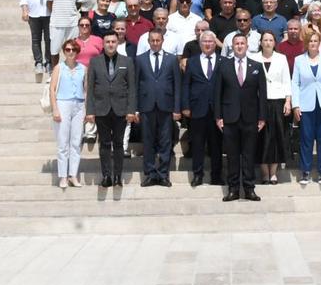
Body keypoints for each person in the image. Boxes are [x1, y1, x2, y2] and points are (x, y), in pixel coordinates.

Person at [214, 32, 266, 202]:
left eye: (242, 43)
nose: (239, 46)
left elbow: (262, 95)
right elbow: (217, 94)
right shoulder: (223, 66)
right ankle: (233, 189)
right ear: (232, 46)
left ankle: (249, 189)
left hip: (251, 118)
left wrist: (262, 117)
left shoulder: (257, 66)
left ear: (247, 45)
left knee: (249, 155)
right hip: (229, 118)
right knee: (232, 156)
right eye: (236, 43)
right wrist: (218, 116)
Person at [84, 32, 137, 189]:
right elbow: (91, 88)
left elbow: (132, 88)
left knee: (119, 144)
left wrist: (131, 110)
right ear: (103, 44)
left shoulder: (127, 61)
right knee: (105, 144)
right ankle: (106, 175)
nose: (111, 44)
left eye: (113, 41)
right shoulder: (94, 62)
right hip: (101, 109)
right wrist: (90, 111)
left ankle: (117, 176)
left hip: (121, 109)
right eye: (107, 42)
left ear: (117, 42)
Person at [134, 27, 182, 187]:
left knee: (165, 142)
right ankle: (149, 174)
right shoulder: (140, 59)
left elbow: (177, 85)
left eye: (158, 40)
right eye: (152, 40)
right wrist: (135, 108)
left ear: (162, 41)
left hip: (166, 107)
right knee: (147, 141)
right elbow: (135, 85)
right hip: (146, 106)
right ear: (148, 42)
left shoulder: (172, 59)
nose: (155, 43)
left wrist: (176, 109)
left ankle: (163, 175)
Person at [290, 31, 321, 185]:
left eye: (315, 41)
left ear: (319, 43)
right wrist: (296, 105)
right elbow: (295, 84)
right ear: (306, 43)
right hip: (306, 105)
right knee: (306, 139)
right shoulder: (299, 60)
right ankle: (305, 172)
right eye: (310, 41)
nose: (313, 43)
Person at [249, 30, 292, 186]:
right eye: (265, 40)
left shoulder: (281, 58)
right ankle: (264, 173)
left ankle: (273, 173)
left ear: (275, 42)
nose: (267, 42)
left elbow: (286, 80)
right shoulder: (253, 58)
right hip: (259, 101)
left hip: (277, 100)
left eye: (270, 40)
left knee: (275, 137)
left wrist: (288, 101)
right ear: (260, 42)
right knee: (261, 138)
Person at [182, 31, 224, 186]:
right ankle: (197, 175)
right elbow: (186, 85)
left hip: (217, 110)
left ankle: (216, 176)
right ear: (200, 44)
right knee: (198, 145)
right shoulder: (192, 62)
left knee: (216, 145)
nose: (207, 44)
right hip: (197, 109)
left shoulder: (223, 61)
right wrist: (185, 106)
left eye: (210, 41)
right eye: (204, 41)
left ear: (215, 44)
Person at [50, 38, 87, 189]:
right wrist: (55, 109)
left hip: (78, 104)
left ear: (77, 52)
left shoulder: (83, 68)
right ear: (64, 52)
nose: (70, 52)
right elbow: (52, 89)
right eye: (67, 50)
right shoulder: (59, 67)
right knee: (63, 142)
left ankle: (73, 174)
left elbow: (85, 90)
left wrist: (86, 109)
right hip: (63, 103)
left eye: (73, 50)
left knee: (76, 142)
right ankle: (63, 176)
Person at [20, 0, 54, 76]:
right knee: (36, 39)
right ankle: (38, 62)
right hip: (34, 14)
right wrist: (24, 10)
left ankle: (49, 62)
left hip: (49, 13)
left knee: (49, 39)